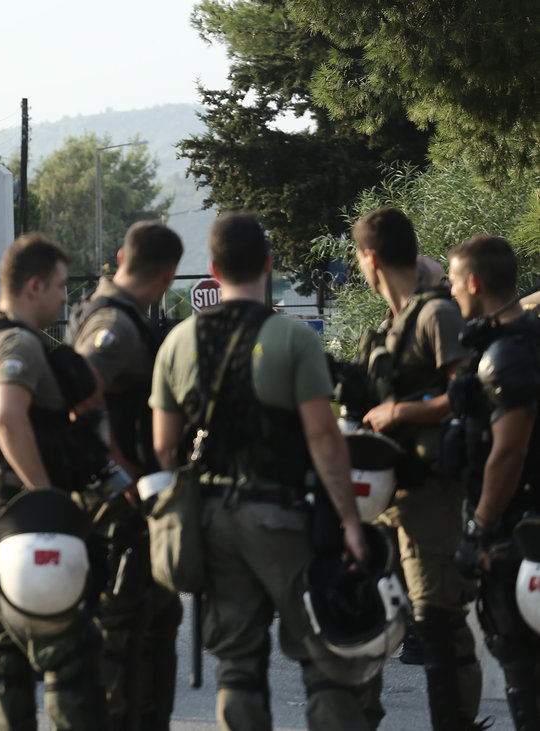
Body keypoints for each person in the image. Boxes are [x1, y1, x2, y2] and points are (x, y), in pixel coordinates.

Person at [151, 212, 370, 730]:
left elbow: (163, 450)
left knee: (238, 667)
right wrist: (351, 524)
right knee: (325, 660)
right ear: (268, 265)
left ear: (212, 268)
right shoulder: (294, 340)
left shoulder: (179, 343)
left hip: (213, 524)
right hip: (285, 517)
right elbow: (323, 438)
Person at [0, 233, 105, 730]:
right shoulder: (18, 343)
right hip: (22, 517)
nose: (64, 298)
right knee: (69, 650)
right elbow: (9, 419)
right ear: (34, 286)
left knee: (4, 654)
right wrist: (46, 499)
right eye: (59, 287)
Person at [349, 207, 482, 729]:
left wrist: (401, 411)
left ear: (371, 258)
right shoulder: (385, 328)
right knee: (370, 613)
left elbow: (467, 391)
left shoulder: (435, 316)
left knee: (437, 618)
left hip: (429, 492)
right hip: (381, 495)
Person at [69, 220, 184, 729]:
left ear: (120, 257)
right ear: (168, 274)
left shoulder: (117, 311)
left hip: (124, 503)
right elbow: (79, 390)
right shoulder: (114, 324)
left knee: (152, 625)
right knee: (122, 632)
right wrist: (123, 470)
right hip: (118, 509)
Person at [445, 234, 540, 730]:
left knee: (523, 665)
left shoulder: (509, 356)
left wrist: (479, 528)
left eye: (456, 283)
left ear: (475, 283)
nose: (453, 292)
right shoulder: (515, 342)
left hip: (517, 533)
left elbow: (508, 451)